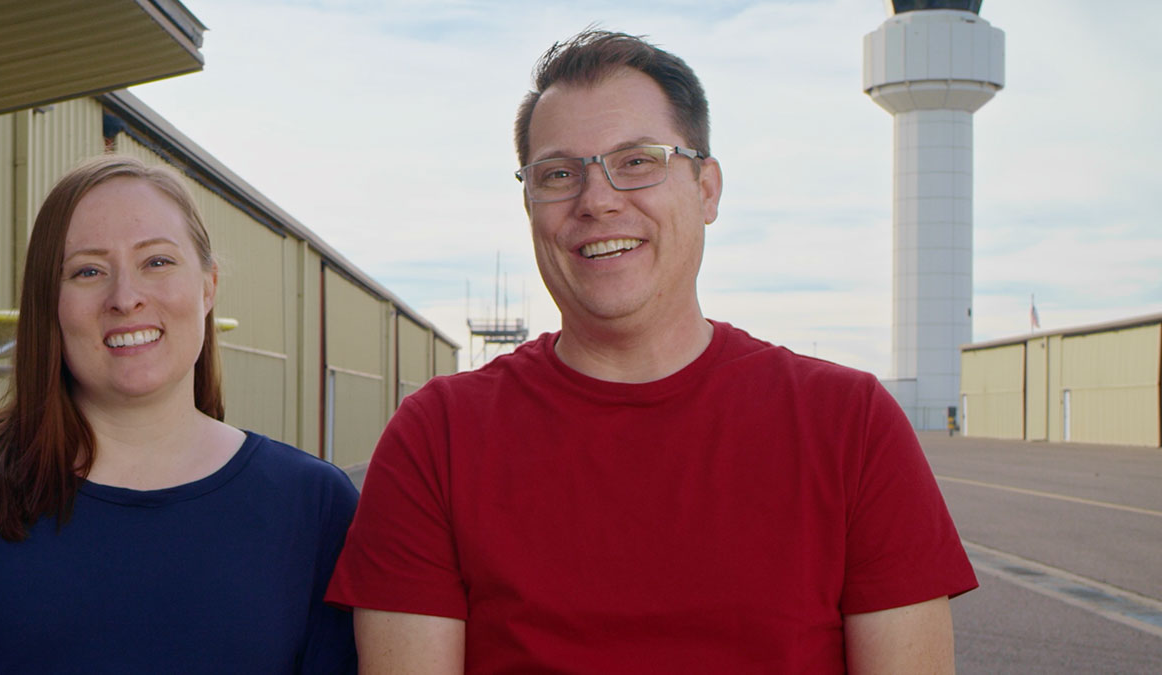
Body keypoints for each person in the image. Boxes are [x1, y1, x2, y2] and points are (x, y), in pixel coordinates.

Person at [325, 30, 977, 673]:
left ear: (707, 188)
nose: (597, 200)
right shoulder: (436, 437)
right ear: (529, 205)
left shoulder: (850, 424)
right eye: (558, 173)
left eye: (637, 160)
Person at [0, 155, 359, 673]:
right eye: (88, 271)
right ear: (50, 303)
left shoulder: (315, 509)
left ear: (208, 287)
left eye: (157, 261)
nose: (125, 296)